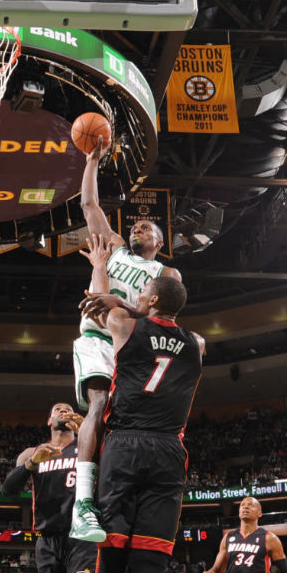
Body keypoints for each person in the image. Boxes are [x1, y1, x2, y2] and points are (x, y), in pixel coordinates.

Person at [71, 138, 182, 543]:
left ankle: (116, 498)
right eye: (134, 225)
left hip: (133, 348)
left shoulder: (167, 275)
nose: (137, 227)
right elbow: (89, 207)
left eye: (147, 227)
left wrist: (116, 298)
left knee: (123, 425)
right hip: (98, 337)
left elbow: (157, 314)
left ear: (159, 242)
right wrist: (91, 162)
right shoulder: (113, 248)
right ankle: (82, 504)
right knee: (98, 404)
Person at [78, 276, 204, 573]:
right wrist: (144, 307)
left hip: (124, 444)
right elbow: (172, 324)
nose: (139, 294)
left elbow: (103, 314)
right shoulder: (195, 343)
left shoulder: (123, 324)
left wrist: (132, 307)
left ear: (153, 299)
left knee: (110, 569)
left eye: (144, 290)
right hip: (168, 450)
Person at [2, 402, 96, 573]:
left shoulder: (88, 447)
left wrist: (88, 433)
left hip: (81, 535)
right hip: (48, 540)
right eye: (57, 409)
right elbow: (8, 490)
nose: (63, 410)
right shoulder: (32, 453)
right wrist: (31, 464)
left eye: (67, 408)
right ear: (48, 420)